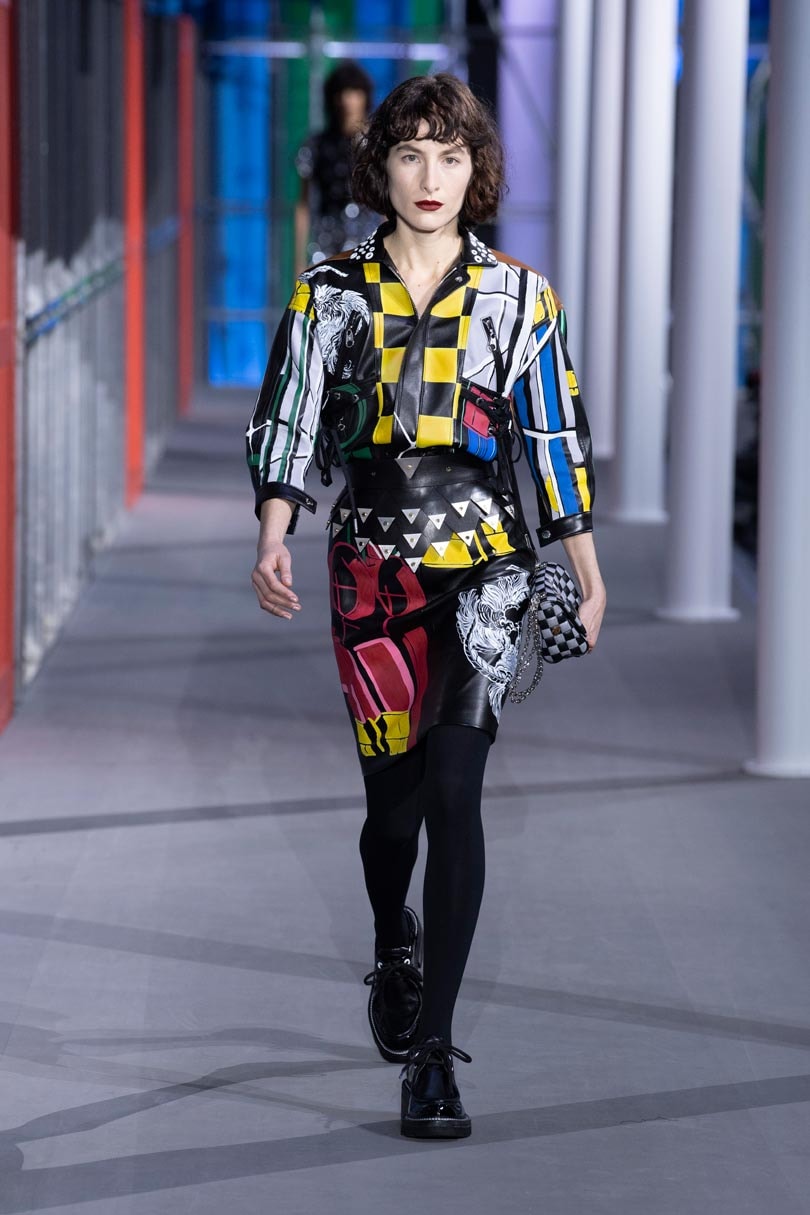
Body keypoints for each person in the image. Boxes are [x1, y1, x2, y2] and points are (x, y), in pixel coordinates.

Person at [247, 73, 606, 1140]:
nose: (431, 175)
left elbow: (554, 433)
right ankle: (391, 939)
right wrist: (273, 532)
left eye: (451, 155)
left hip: (487, 565)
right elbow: (290, 416)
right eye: (411, 153)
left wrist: (585, 567)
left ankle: (435, 1057)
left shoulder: (521, 298)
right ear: (382, 166)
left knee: (456, 789)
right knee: (392, 816)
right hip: (372, 568)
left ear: (476, 169)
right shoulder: (329, 294)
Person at [294, 62, 377, 273]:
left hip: (368, 245)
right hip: (325, 246)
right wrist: (299, 260)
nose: (347, 101)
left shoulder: (376, 147)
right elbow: (303, 205)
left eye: (355, 92)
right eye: (341, 93)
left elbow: (387, 204)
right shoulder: (316, 146)